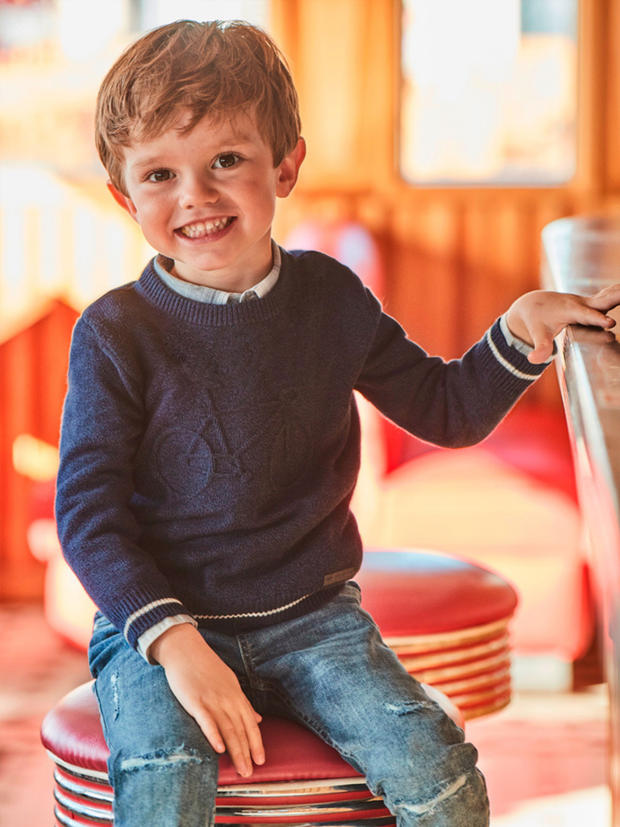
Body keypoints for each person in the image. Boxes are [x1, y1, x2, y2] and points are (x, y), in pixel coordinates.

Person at [55, 19, 620, 827]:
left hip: (312, 619)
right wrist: (176, 643)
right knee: (165, 781)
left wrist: (524, 329)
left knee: (446, 783)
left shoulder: (333, 298)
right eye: (159, 174)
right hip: (157, 628)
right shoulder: (114, 333)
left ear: (285, 166)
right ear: (123, 195)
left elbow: (445, 408)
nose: (196, 197)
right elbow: (88, 516)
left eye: (226, 160)